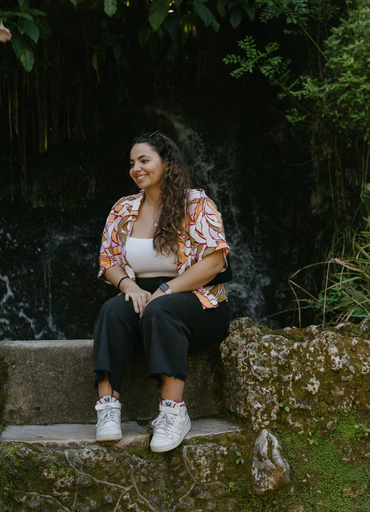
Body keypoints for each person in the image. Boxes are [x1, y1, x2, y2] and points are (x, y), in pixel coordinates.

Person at [93, 131, 231, 452]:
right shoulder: (123, 209)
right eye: (132, 163)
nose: (136, 168)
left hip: (199, 302)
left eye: (144, 160)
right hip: (144, 298)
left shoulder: (196, 203)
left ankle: (173, 413)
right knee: (112, 311)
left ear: (166, 163)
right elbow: (108, 261)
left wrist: (166, 290)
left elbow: (214, 262)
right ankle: (108, 408)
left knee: (160, 309)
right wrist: (128, 285)